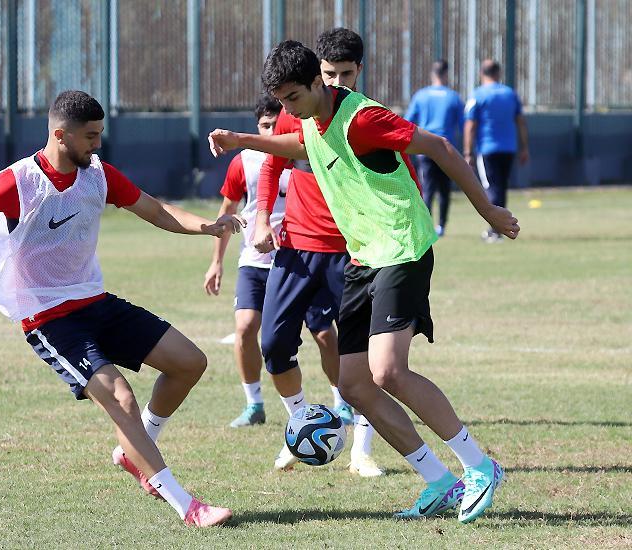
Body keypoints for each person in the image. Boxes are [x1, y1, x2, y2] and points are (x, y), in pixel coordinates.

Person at [0, 90, 242, 527]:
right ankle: (186, 506)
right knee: (120, 397)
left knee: (189, 362)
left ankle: (134, 450)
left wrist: (207, 226)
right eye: (90, 136)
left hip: (95, 301)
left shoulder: (98, 174)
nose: (98, 144)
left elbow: (155, 210)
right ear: (61, 135)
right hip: (49, 317)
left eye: (100, 134)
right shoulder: (17, 181)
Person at [207, 41, 520, 524]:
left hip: (401, 247)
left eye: (293, 98)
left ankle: (480, 466)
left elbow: (439, 146)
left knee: (388, 371)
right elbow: (299, 145)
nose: (287, 109)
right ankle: (440, 481)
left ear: (318, 82)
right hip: (361, 257)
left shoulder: (363, 119)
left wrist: (489, 210)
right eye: (282, 101)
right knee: (354, 384)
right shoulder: (310, 118)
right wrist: (242, 140)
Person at [253, 28, 382, 477]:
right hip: (297, 249)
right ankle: (301, 426)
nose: (338, 82)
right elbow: (271, 166)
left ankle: (362, 450)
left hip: (352, 252)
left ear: (359, 71)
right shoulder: (295, 115)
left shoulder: (365, 118)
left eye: (346, 73)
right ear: (316, 75)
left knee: (360, 354)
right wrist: (261, 219)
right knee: (273, 344)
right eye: (331, 74)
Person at [203, 95, 343, 432]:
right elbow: (227, 212)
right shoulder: (245, 162)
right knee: (245, 328)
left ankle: (343, 401)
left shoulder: (307, 155)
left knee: (325, 334)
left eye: (275, 125)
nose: (270, 132)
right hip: (255, 262)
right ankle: (254, 404)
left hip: (300, 260)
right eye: (264, 126)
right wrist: (216, 262)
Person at [464, 59, 529, 243]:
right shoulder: (510, 93)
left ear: (481, 74)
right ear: (498, 73)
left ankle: (495, 230)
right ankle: (502, 227)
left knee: (490, 188)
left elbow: (470, 125)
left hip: (487, 149)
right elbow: (521, 122)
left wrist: (468, 152)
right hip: (509, 149)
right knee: (500, 188)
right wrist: (525, 148)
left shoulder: (478, 94)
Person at [405, 59, 464, 237]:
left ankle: (426, 225)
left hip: (424, 149)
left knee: (426, 188)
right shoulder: (453, 97)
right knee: (444, 189)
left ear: (433, 74)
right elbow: (463, 125)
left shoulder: (421, 96)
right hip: (445, 149)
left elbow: (407, 121)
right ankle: (442, 226)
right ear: (446, 74)